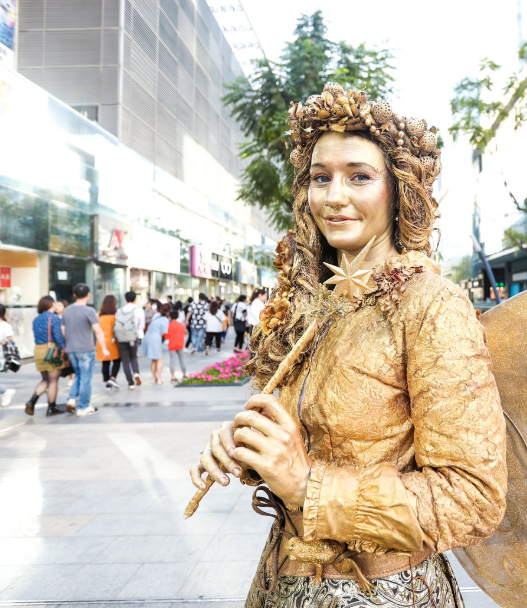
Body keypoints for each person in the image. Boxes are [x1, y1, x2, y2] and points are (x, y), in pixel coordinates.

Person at [189, 85, 505, 607]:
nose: (334, 196)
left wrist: (307, 485)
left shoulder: (430, 305)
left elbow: (472, 499)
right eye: (321, 178)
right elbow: (307, 438)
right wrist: (250, 448)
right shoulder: (314, 302)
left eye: (359, 176)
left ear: (398, 190)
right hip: (280, 584)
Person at [63, 284, 110, 417]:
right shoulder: (89, 311)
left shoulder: (67, 311)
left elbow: (63, 331)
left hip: (71, 349)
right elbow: (97, 330)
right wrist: (104, 348)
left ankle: (72, 398)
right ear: (88, 295)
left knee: (78, 375)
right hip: (86, 349)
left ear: (74, 295)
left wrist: (68, 344)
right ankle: (83, 407)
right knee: (86, 379)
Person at [27, 296, 66, 416]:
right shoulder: (54, 318)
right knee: (53, 380)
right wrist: (63, 348)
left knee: (45, 379)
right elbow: (58, 336)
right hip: (51, 349)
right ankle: (51, 407)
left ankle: (32, 400)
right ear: (51, 304)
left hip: (38, 350)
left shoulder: (36, 319)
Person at [115, 291, 143, 389]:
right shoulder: (138, 310)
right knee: (133, 357)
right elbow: (141, 326)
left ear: (125, 299)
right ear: (135, 299)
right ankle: (136, 373)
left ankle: (130, 383)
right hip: (133, 337)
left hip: (121, 338)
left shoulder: (119, 310)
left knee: (125, 361)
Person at [97, 295, 121, 391]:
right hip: (112, 341)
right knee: (117, 360)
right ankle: (113, 377)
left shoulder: (99, 316)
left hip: (101, 342)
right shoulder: (115, 316)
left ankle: (107, 383)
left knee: (105, 363)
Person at [142, 302, 171, 384]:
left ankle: (153, 378)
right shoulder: (165, 320)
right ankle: (159, 379)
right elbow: (163, 332)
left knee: (153, 359)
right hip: (155, 339)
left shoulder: (156, 315)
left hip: (148, 337)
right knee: (159, 359)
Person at [166, 310, 187, 382]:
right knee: (182, 360)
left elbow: (166, 336)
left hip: (172, 345)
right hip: (180, 344)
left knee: (172, 360)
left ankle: (173, 376)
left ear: (170, 317)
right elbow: (184, 332)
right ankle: (184, 374)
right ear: (178, 316)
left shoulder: (169, 325)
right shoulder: (181, 325)